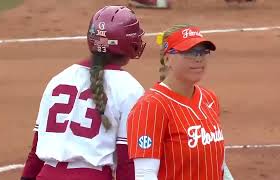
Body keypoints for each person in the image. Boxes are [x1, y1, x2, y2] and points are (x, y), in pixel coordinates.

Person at [20, 5, 146, 180]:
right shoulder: (130, 89)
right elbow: (127, 161)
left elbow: (36, 151)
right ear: (128, 43)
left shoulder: (59, 79)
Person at [127, 24, 234, 180]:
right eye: (189, 52)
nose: (198, 58)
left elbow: (219, 164)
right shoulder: (151, 107)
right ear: (167, 59)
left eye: (203, 52)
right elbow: (145, 175)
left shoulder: (209, 99)